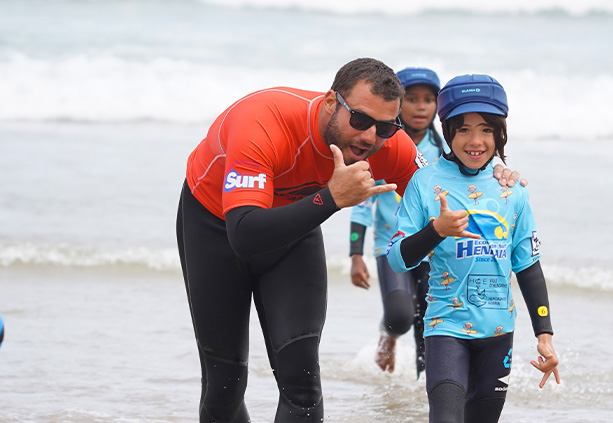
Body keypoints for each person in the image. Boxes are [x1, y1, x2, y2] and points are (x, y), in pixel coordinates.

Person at [176, 58, 523, 423]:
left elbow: (452, 208)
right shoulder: (262, 120)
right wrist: (331, 198)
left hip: (293, 236)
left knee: (302, 385)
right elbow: (244, 233)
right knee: (225, 385)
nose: (369, 137)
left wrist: (491, 174)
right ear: (330, 103)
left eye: (386, 127)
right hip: (217, 230)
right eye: (359, 120)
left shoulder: (390, 145)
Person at [387, 74, 560, 422]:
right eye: (463, 129)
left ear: (500, 133)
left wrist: (545, 334)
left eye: (486, 129)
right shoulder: (425, 182)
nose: (475, 141)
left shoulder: (513, 191)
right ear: (448, 131)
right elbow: (397, 258)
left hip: (499, 333)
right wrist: (437, 230)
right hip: (445, 328)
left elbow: (527, 267)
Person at [349, 67, 447, 377]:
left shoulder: (445, 153)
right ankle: (388, 336)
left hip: (431, 248)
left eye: (429, 100)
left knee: (428, 322)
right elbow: (363, 204)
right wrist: (355, 254)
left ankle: (425, 391)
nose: (421, 107)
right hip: (390, 247)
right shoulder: (380, 147)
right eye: (413, 99)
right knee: (401, 314)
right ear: (397, 104)